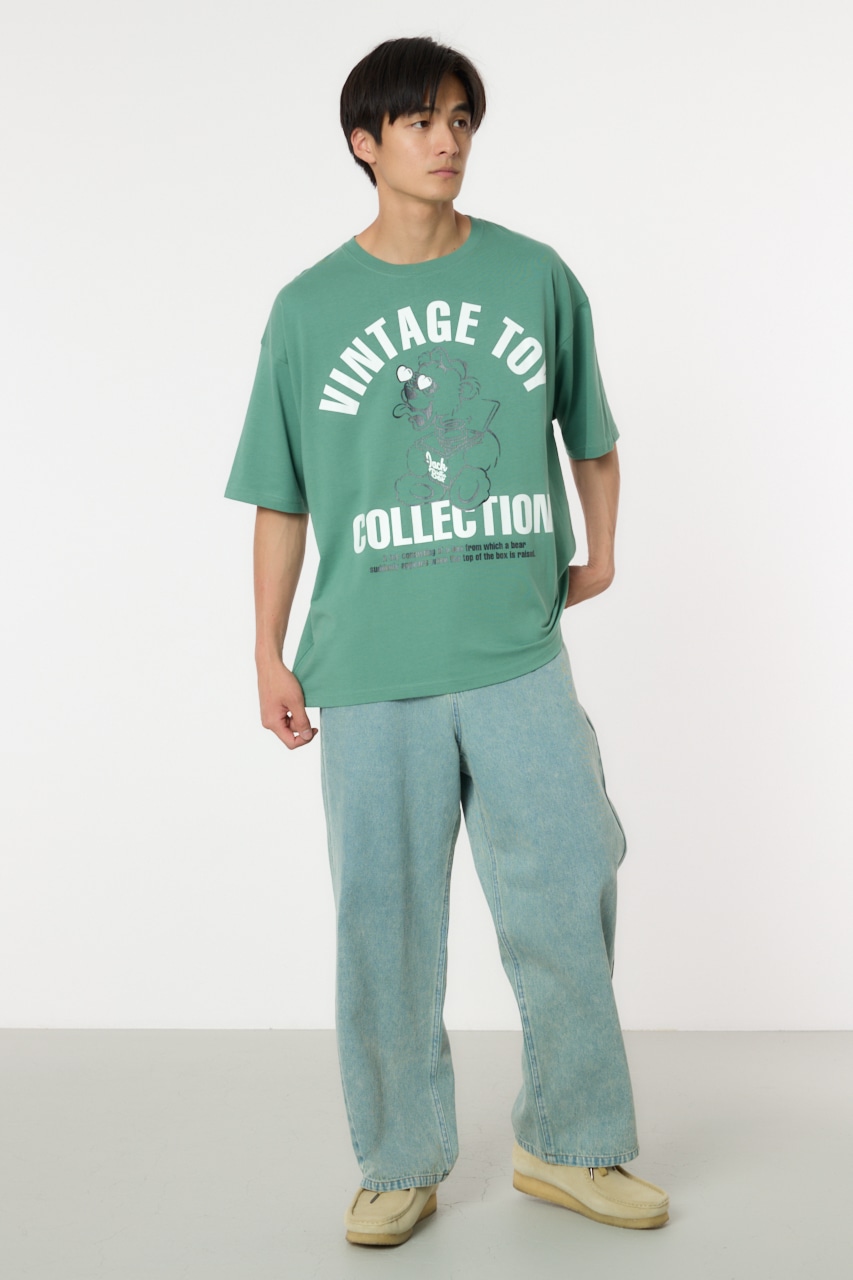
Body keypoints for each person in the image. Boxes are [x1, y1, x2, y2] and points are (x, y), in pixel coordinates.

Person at [224, 35, 670, 1246]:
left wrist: (601, 548)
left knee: (568, 884)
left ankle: (568, 1141)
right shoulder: (308, 308)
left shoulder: (534, 275)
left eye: (461, 119)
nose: (447, 141)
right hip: (369, 668)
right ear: (364, 143)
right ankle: (398, 1158)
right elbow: (280, 496)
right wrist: (266, 650)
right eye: (420, 121)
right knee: (384, 922)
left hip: (515, 652)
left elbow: (591, 430)